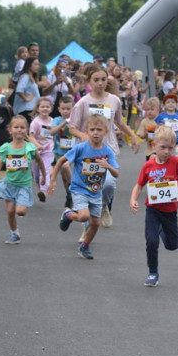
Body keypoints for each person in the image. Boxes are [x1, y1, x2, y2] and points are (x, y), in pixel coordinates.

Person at [130, 126, 178, 287]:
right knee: (151, 241)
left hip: (170, 211)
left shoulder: (177, 163)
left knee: (172, 245)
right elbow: (139, 185)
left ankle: (162, 231)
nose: (166, 151)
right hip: (152, 209)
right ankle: (153, 272)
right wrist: (133, 200)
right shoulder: (148, 166)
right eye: (163, 147)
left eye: (170, 148)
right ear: (153, 145)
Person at [69, 66, 138, 229]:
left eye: (103, 80)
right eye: (96, 80)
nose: (100, 83)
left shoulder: (114, 100)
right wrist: (83, 136)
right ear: (89, 82)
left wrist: (133, 136)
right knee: (88, 189)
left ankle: (104, 205)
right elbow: (72, 127)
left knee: (106, 185)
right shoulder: (82, 103)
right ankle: (85, 231)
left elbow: (119, 122)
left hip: (108, 149)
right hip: (87, 152)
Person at [48, 114, 119, 260]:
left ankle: (84, 247)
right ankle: (68, 214)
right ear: (86, 131)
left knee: (96, 223)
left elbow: (116, 173)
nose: (95, 133)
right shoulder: (81, 148)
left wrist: (108, 166)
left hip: (96, 192)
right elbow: (61, 160)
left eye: (99, 129)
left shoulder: (107, 151)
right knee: (84, 216)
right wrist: (53, 179)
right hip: (79, 189)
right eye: (92, 129)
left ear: (106, 132)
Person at [0, 114, 44, 244]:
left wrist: (44, 176)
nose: (19, 130)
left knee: (21, 212)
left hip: (24, 185)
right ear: (10, 130)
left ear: (26, 130)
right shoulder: (6, 147)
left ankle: (22, 203)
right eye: (16, 127)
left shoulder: (30, 148)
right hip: (9, 184)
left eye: (22, 127)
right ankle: (14, 233)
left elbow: (40, 161)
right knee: (10, 211)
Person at [49, 95, 83, 210]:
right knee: (64, 175)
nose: (65, 111)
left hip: (74, 150)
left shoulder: (76, 120)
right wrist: (63, 123)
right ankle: (69, 194)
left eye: (68, 109)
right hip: (60, 150)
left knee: (65, 166)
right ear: (59, 109)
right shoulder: (57, 120)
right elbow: (52, 132)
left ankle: (74, 188)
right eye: (63, 109)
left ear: (73, 109)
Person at [28, 97, 56, 202]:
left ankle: (44, 191)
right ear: (38, 109)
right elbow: (30, 136)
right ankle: (41, 189)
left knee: (45, 170)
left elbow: (55, 135)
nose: (45, 109)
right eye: (42, 106)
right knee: (36, 175)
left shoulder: (53, 122)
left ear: (51, 109)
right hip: (36, 152)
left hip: (48, 151)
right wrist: (37, 145)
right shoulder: (35, 122)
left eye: (47, 107)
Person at [12, 57, 40, 121]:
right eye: (35, 64)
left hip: (32, 109)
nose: (37, 67)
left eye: (38, 65)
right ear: (29, 65)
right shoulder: (25, 76)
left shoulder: (31, 78)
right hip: (27, 109)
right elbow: (19, 89)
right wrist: (26, 98)